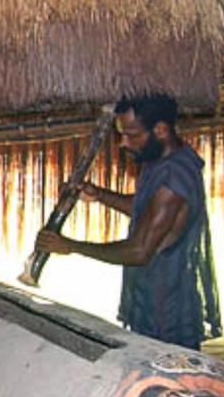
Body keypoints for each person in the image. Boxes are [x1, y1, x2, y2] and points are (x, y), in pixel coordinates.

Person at [38, 94, 215, 350]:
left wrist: (71, 246)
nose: (122, 143)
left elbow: (139, 251)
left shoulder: (175, 175)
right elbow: (149, 210)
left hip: (167, 309)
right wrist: (99, 195)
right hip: (152, 297)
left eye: (130, 134)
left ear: (161, 129)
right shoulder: (162, 161)